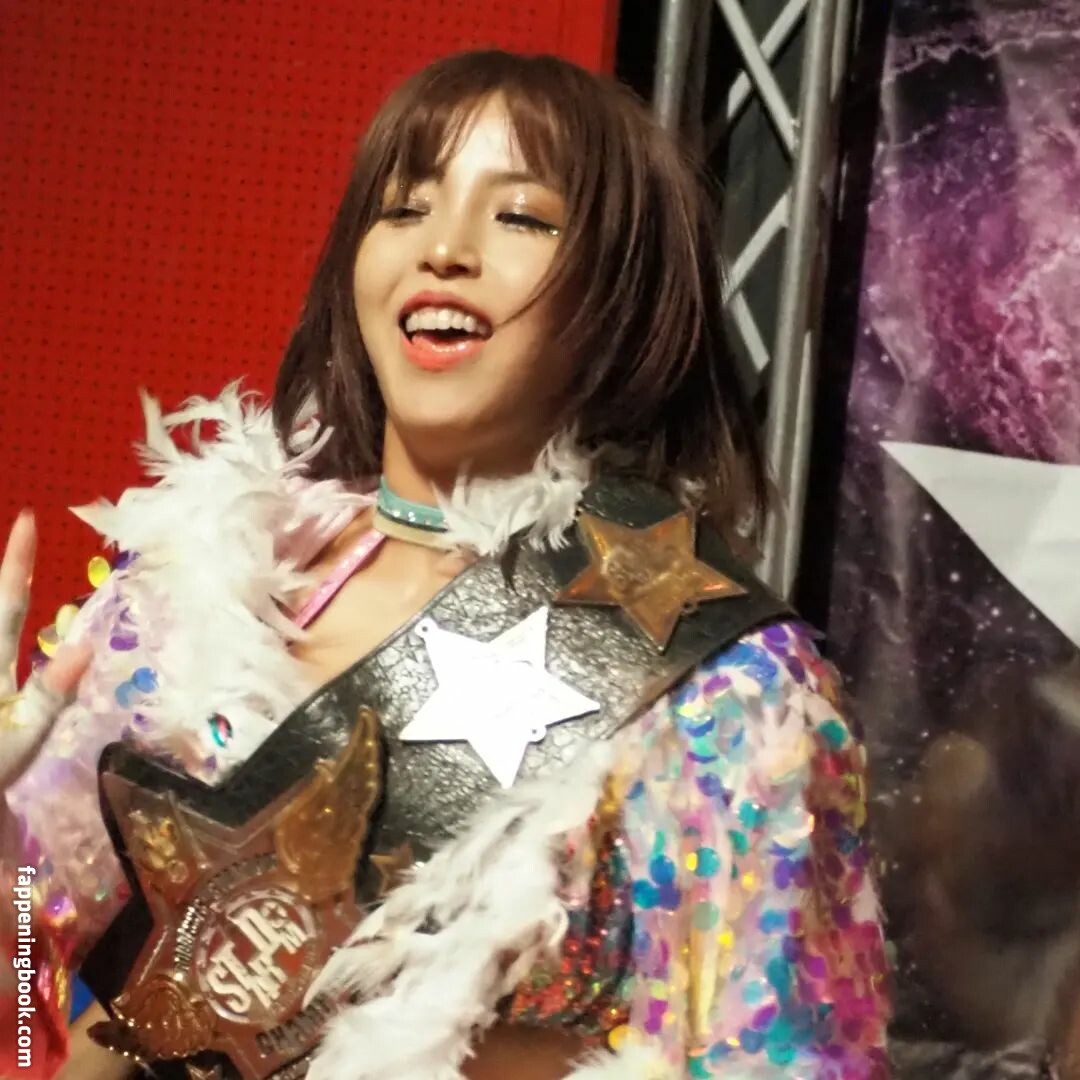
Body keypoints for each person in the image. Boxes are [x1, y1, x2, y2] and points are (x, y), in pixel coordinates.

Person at [0, 50, 889, 1080]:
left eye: (520, 217)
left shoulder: (730, 693)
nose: (445, 249)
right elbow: (26, 988)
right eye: (404, 208)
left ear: (623, 296)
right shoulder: (186, 595)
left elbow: (789, 1058)